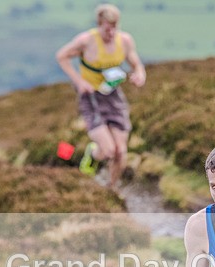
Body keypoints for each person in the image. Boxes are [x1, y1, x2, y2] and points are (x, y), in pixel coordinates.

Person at [55, 4, 146, 188]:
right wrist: (79, 82)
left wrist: (139, 75)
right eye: (107, 28)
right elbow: (61, 56)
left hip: (113, 96)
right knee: (108, 150)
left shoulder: (125, 41)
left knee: (121, 152)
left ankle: (110, 188)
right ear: (99, 24)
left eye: (114, 27)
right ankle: (93, 153)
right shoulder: (86, 40)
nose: (111, 32)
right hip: (91, 97)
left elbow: (137, 64)